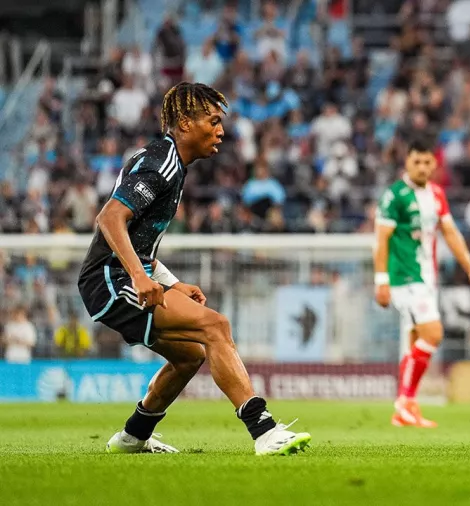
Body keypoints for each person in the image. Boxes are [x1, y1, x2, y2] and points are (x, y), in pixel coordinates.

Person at [77, 82, 311, 456]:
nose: (221, 130)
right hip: (110, 279)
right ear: (185, 123)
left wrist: (169, 281)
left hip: (120, 274)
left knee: (190, 355)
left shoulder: (170, 163)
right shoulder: (162, 164)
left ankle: (133, 437)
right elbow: (110, 217)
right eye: (213, 121)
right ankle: (264, 431)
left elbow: (140, 238)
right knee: (215, 326)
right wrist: (140, 278)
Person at [373, 136, 470, 427]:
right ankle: (404, 402)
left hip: (427, 278)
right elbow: (381, 239)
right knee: (433, 333)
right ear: (407, 163)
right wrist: (381, 280)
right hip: (404, 277)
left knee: (415, 341)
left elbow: (451, 234)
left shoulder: (437, 194)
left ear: (435, 164)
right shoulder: (395, 195)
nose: (422, 167)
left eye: (427, 162)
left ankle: (406, 408)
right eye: (417, 162)